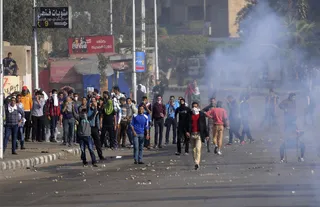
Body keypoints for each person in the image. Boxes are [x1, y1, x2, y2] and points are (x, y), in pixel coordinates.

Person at [188, 102, 209, 170]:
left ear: (198, 107)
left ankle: (197, 163)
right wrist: (187, 132)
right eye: (193, 106)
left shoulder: (201, 114)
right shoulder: (189, 114)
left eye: (196, 107)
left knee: (198, 149)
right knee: (193, 150)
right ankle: (195, 162)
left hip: (199, 134)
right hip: (192, 134)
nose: (195, 108)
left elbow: (204, 125)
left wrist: (206, 135)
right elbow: (186, 124)